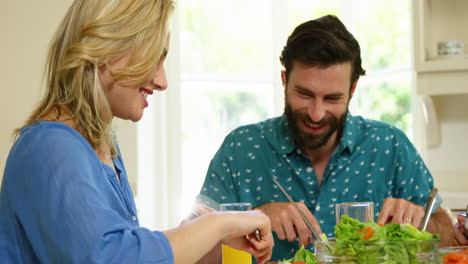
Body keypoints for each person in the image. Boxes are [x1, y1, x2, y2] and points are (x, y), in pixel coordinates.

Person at [0, 0, 274, 263]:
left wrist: (195, 232)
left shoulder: (101, 147)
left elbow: (118, 248)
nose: (162, 81)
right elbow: (111, 258)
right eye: (155, 58)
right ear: (107, 48)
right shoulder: (50, 147)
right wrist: (218, 224)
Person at [199, 14, 459, 262]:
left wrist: (422, 220)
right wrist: (250, 218)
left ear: (352, 89)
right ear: (284, 80)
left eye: (332, 98)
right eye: (304, 94)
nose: (316, 113)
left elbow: (448, 238)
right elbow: (189, 251)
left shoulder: (390, 146)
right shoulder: (240, 148)